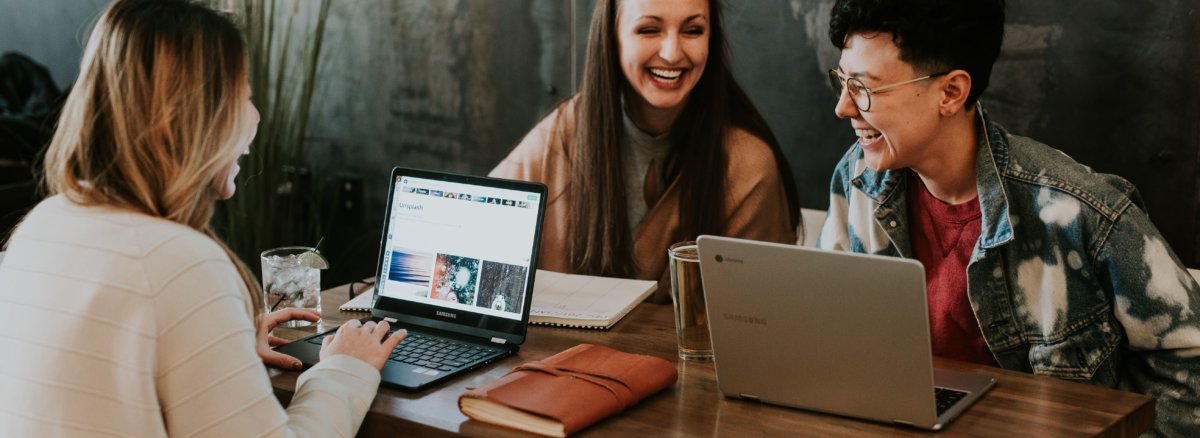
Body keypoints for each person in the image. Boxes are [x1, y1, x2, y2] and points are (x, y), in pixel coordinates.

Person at [0, 0, 406, 435]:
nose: (255, 117)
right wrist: (345, 369)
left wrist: (219, 344)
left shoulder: (39, 227)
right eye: (242, 98)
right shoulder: (180, 262)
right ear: (178, 123)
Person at [815, 0, 1200, 435]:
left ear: (951, 92)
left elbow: (1191, 368)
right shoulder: (858, 177)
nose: (844, 108)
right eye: (842, 81)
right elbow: (828, 328)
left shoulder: (1081, 212)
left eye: (864, 88)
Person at [491, 0, 800, 301]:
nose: (672, 52)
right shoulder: (563, 131)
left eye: (693, 30)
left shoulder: (748, 164)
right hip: (558, 352)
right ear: (612, 37)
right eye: (649, 30)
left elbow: (759, 317)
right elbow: (479, 232)